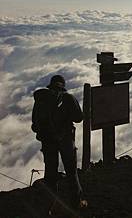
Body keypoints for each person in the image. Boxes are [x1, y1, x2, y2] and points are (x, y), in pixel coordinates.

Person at [32, 74, 86, 213]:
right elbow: (79, 118)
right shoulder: (67, 98)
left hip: (47, 141)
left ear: (51, 85)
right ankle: (77, 203)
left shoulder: (40, 99)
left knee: (50, 174)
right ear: (63, 85)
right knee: (71, 172)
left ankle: (49, 206)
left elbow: (34, 124)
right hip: (65, 140)